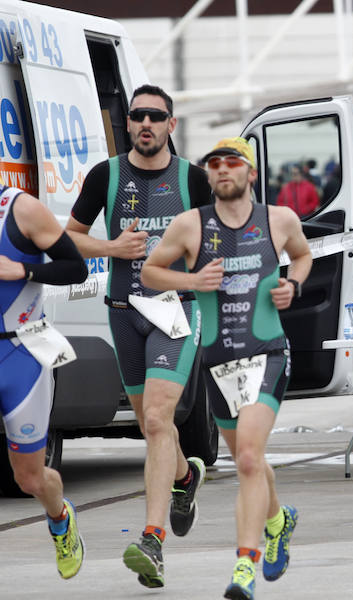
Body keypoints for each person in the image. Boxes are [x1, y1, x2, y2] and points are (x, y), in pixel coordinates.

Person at [142, 137, 311, 600]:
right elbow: (150, 273)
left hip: (268, 354)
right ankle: (278, 520)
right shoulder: (189, 226)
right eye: (213, 163)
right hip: (219, 363)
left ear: (250, 172)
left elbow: (303, 254)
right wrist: (192, 280)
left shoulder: (279, 220)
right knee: (246, 460)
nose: (221, 170)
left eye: (231, 162)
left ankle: (243, 568)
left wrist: (292, 285)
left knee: (251, 458)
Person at [65, 84, 212, 588]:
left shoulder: (193, 179)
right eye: (137, 116)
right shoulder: (106, 175)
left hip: (176, 312)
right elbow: (69, 237)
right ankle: (185, 478)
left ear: (172, 124)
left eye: (156, 116)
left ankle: (152, 539)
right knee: (155, 430)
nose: (146, 123)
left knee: (154, 417)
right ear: (126, 124)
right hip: (123, 312)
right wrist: (112, 246)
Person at [1, 186, 88, 579]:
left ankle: (59, 518)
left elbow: (75, 267)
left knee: (29, 477)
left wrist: (24, 270)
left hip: (20, 354)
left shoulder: (21, 209)